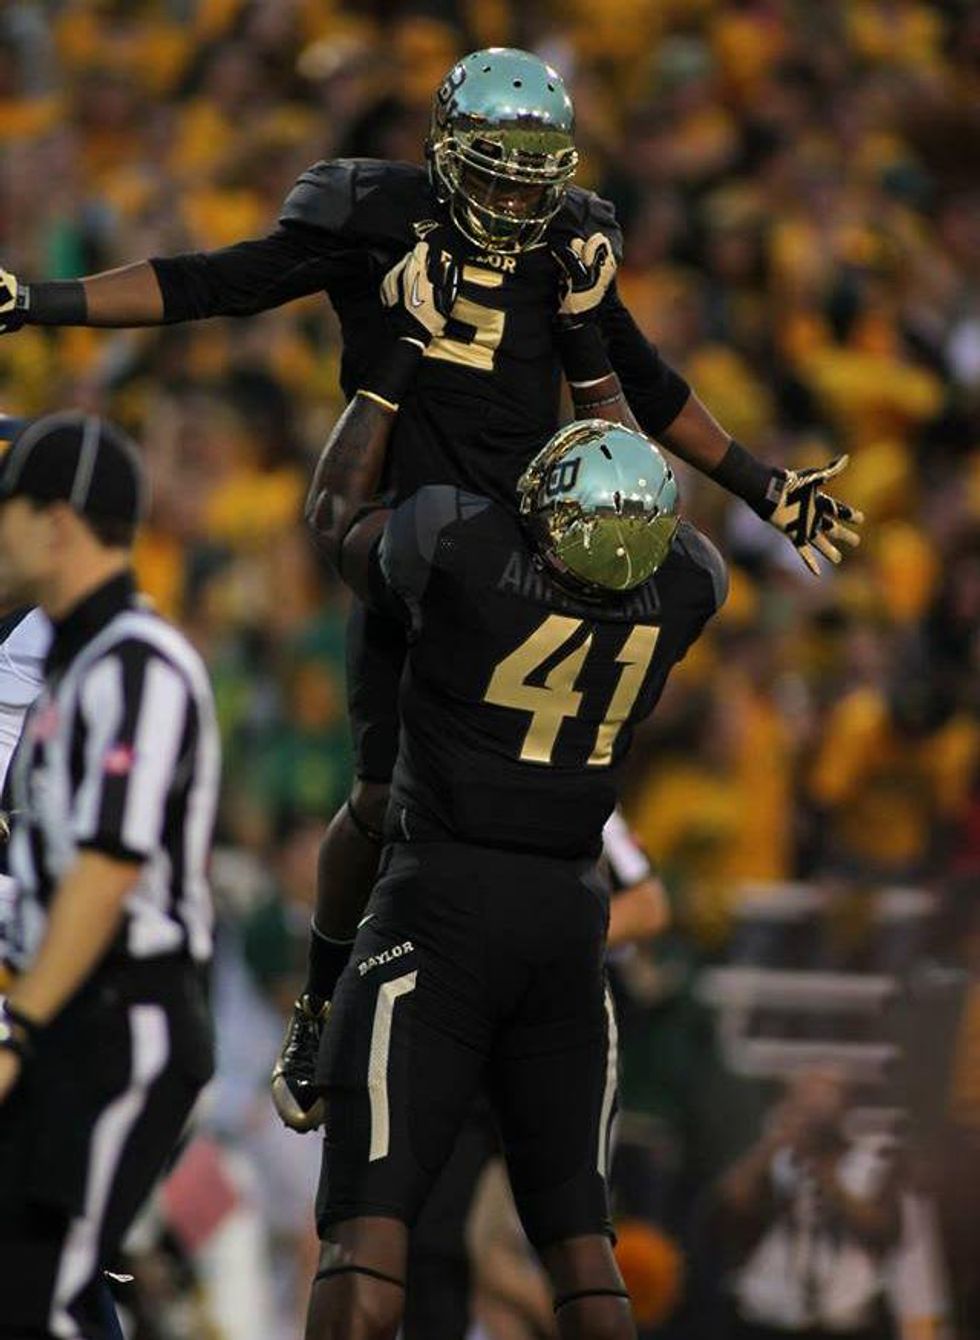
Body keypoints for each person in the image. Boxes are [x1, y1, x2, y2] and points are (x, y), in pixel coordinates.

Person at [0, 48, 862, 1133]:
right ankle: (320, 1000)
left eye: (529, 174)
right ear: (444, 156)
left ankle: (502, 994)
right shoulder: (373, 217)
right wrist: (41, 300)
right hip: (408, 537)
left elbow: (645, 378)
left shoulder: (567, 239)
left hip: (532, 549)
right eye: (491, 171)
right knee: (379, 795)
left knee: (540, 788)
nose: (510, 197)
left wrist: (763, 482)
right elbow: (212, 282)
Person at [291, 232, 736, 1340]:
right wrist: (588, 351)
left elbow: (332, 515)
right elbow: (647, 501)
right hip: (566, 924)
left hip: (438, 905)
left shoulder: (462, 553)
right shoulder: (683, 587)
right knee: (582, 1252)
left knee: (369, 1227)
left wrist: (399, 354)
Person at [0, 412, 220, 1340]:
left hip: (114, 1021)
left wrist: (19, 1028)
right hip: (71, 1013)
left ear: (56, 522)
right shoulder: (76, 662)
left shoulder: (135, 662)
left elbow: (108, 869)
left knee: (37, 1297)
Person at [712, 1069, 901, 1340]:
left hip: (845, 1314)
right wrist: (775, 1144)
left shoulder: (868, 1165)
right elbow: (727, 1207)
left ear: (845, 1109)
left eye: (825, 1098)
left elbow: (883, 1231)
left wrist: (831, 1181)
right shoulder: (773, 1159)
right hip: (769, 1310)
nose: (813, 1110)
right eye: (805, 1099)